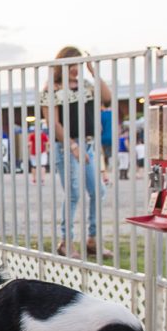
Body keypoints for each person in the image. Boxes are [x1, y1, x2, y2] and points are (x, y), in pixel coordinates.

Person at [41, 46, 111, 259]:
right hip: (67, 145)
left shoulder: (86, 85)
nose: (75, 68)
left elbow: (107, 97)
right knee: (73, 193)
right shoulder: (51, 88)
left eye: (78, 64)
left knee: (98, 191)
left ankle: (92, 239)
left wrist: (92, 70)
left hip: (88, 144)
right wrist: (72, 145)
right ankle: (66, 242)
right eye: (72, 64)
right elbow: (53, 122)